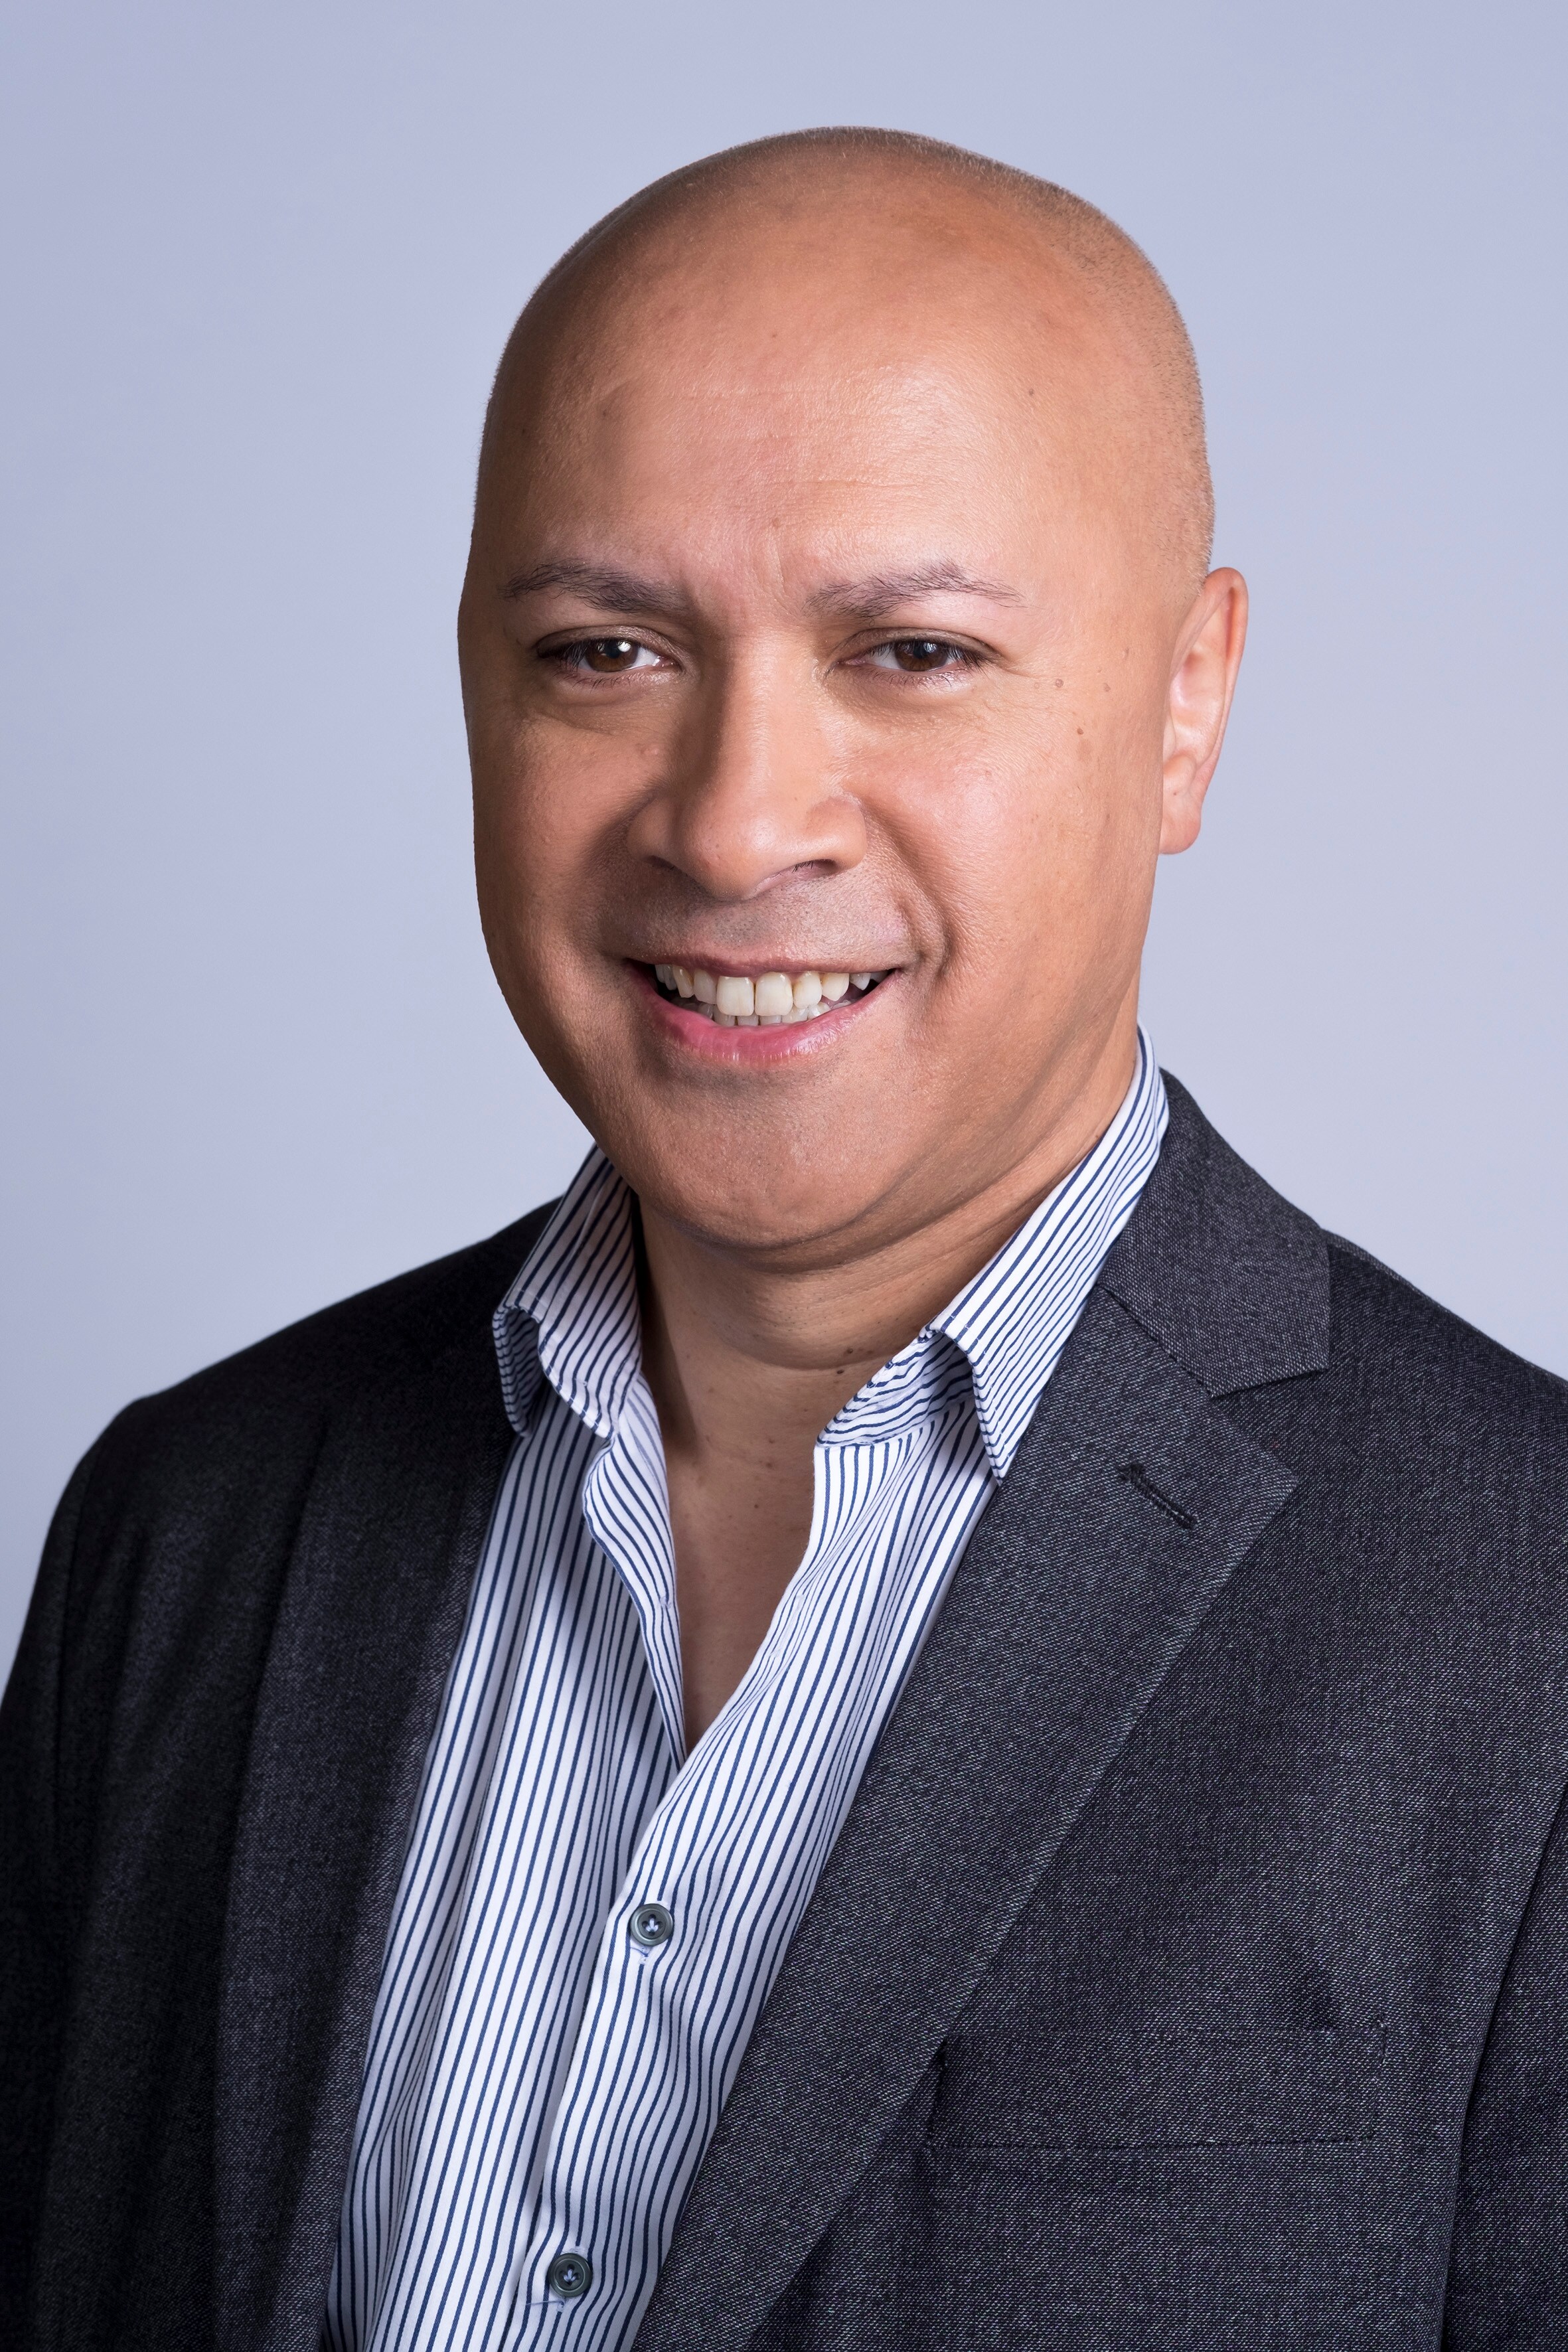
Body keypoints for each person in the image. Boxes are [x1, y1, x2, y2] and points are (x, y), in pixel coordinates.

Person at [3, 126, 1566, 2352]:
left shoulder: (1526, 1632)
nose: (736, 824)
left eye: (912, 649)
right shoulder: (189, 1527)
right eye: (606, 648)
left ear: (1184, 702)